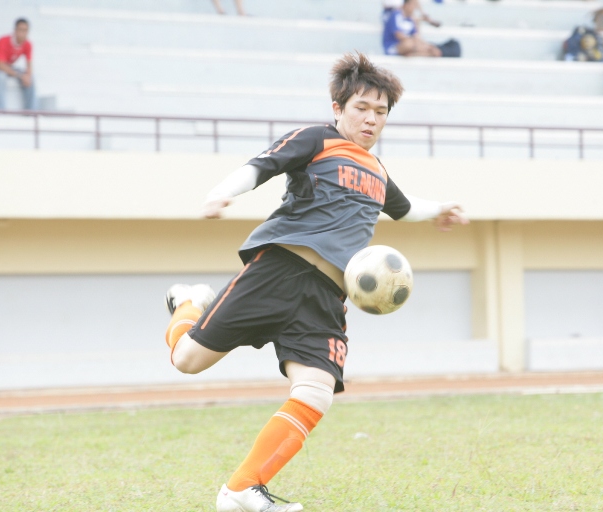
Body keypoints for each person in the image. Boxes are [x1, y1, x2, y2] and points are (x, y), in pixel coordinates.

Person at [162, 52, 468, 512]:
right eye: (361, 108)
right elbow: (262, 165)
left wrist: (441, 208)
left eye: (381, 111)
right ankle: (189, 302)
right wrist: (221, 192)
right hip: (279, 270)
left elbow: (404, 209)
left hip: (327, 296)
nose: (371, 119)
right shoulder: (317, 140)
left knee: (316, 391)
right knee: (187, 360)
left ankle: (241, 489)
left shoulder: (379, 171)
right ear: (338, 108)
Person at [0, 18, 36, 110]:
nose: (23, 33)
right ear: (15, 30)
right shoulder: (3, 40)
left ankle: (31, 112)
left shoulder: (28, 44)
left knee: (30, 78)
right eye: (21, 30)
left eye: (26, 30)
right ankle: (0, 111)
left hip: (6, 66)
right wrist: (20, 76)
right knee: (0, 77)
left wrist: (27, 75)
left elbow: (29, 63)